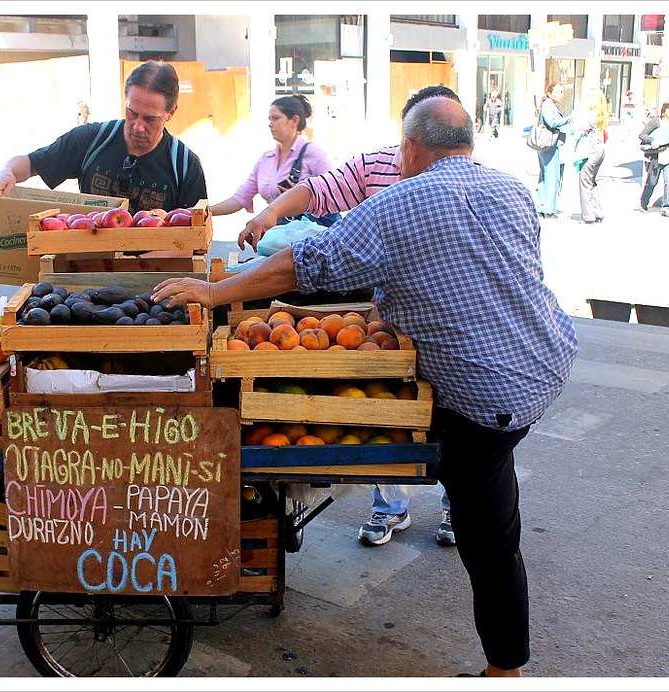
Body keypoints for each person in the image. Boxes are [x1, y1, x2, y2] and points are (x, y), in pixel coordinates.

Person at [153, 96, 578, 678]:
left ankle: (505, 671)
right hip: (545, 360)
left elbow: (303, 264)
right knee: (489, 503)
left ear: (408, 148)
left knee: (491, 536)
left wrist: (211, 294)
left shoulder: (400, 203)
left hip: (486, 394)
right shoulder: (512, 190)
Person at [238, 84, 465, 548]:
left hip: (444, 318)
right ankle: (390, 507)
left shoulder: (465, 181)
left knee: (446, 416)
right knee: (379, 405)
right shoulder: (377, 166)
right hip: (384, 316)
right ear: (408, 136)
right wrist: (270, 214)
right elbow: (317, 192)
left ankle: (454, 508)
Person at [0, 60, 207, 214]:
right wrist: (7, 173)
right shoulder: (92, 140)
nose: (138, 126)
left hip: (155, 276)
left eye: (150, 119)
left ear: (171, 113)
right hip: (88, 269)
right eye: (131, 113)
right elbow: (31, 163)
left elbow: (194, 238)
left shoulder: (185, 165)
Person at [208, 94, 336, 225]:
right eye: (269, 119)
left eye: (276, 118)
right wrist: (205, 212)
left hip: (309, 236)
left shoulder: (313, 153)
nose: (270, 124)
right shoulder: (266, 159)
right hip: (280, 235)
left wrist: (303, 197)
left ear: (294, 121)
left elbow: (335, 192)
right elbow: (240, 198)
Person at [638, 98, 669, 218]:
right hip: (656, 158)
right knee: (652, 182)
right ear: (664, 109)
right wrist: (653, 141)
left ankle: (667, 207)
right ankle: (644, 202)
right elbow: (642, 135)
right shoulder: (657, 121)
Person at [535, 82, 573, 219]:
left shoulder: (549, 104)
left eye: (562, 92)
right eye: (557, 92)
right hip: (549, 144)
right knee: (551, 176)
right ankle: (549, 209)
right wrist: (568, 120)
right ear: (550, 93)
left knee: (545, 175)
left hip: (546, 145)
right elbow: (551, 122)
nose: (561, 95)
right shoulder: (548, 105)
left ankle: (543, 206)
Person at [572, 88, 609, 224]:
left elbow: (578, 130)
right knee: (592, 182)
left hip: (590, 152)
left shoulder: (590, 115)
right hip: (600, 151)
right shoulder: (601, 115)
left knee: (585, 181)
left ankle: (588, 216)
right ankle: (598, 212)